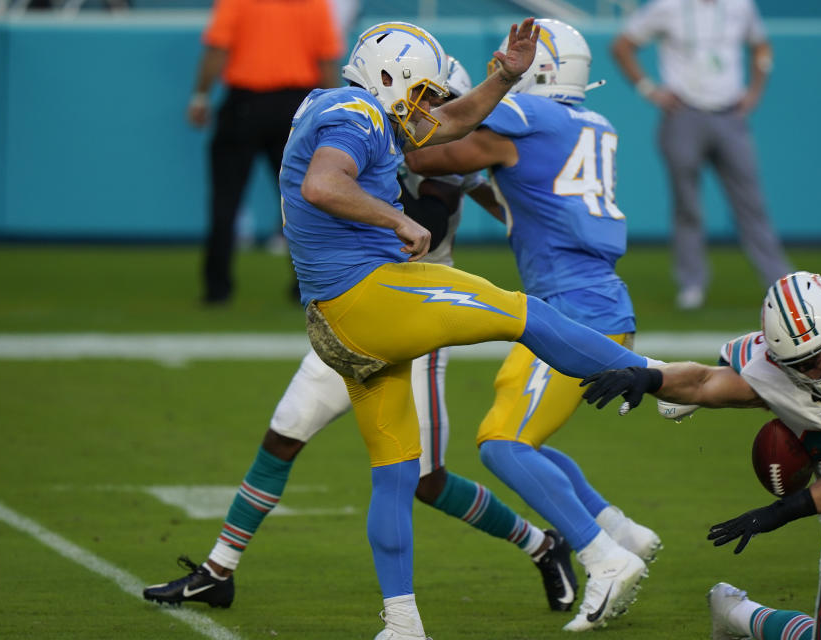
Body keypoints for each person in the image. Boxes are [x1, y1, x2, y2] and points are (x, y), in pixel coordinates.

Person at [142, 57, 579, 616]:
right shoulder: (369, 128)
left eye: (435, 102)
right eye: (421, 98)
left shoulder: (439, 160)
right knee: (284, 434)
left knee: (426, 480)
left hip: (412, 327)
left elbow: (429, 215)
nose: (424, 111)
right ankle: (218, 570)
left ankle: (541, 544)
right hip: (351, 314)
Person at [269, 19, 664, 639]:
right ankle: (656, 381)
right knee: (521, 312)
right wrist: (393, 219)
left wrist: (502, 77)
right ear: (388, 76)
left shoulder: (355, 108)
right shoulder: (355, 110)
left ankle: (401, 624)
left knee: (397, 475)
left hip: (336, 326)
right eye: (422, 91)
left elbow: (447, 127)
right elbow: (324, 183)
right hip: (369, 299)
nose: (430, 107)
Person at [405, 19, 661, 633]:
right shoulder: (591, 122)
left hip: (572, 309)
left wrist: (382, 131)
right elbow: (519, 191)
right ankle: (618, 528)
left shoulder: (528, 121)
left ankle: (603, 558)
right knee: (522, 434)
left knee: (503, 443)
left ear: (539, 68)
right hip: (586, 301)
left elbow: (428, 150)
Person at [580, 271, 821, 640]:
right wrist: (650, 379)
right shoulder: (769, 370)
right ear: (782, 360)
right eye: (806, 362)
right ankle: (738, 614)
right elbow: (704, 381)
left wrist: (779, 512)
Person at [610, 0, 791, 310]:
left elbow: (761, 46)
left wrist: (755, 91)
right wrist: (648, 89)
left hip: (729, 113)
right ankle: (692, 284)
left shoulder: (740, 6)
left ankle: (781, 284)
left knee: (751, 203)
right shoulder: (667, 6)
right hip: (684, 113)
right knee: (687, 205)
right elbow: (622, 46)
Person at [190, 0, 343, 304]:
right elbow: (326, 62)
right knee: (304, 202)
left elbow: (217, 49)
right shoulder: (314, 5)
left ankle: (217, 288)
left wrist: (201, 95)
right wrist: (333, 113)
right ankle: (308, 285)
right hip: (295, 107)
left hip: (245, 104)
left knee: (226, 201)